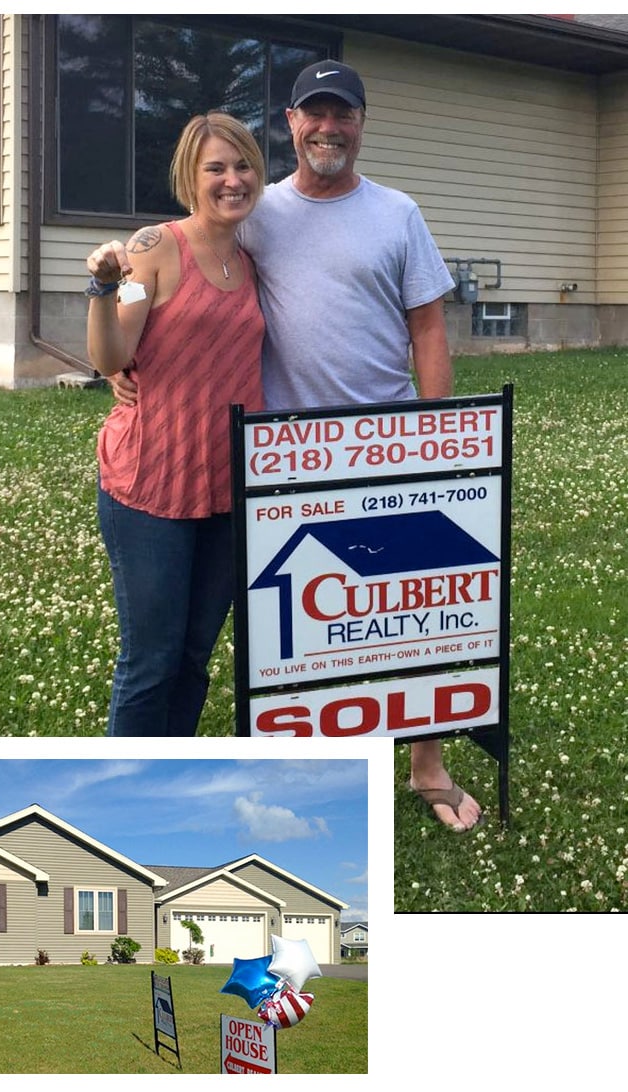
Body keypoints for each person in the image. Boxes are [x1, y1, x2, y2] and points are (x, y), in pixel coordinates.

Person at [237, 61, 483, 831]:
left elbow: (429, 327)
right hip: (288, 456)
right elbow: (188, 266)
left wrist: (435, 437)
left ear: (362, 123)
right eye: (315, 114)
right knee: (298, 621)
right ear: (290, 122)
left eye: (342, 114)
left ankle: (425, 765)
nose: (328, 128)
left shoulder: (397, 213)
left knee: (413, 615)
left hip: (389, 444)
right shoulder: (257, 212)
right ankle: (306, 768)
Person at [85, 112, 265, 736]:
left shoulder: (253, 260)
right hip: (151, 484)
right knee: (150, 663)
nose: (232, 179)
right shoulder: (154, 248)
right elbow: (111, 357)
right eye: (216, 167)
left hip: (224, 490)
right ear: (191, 176)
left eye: (243, 165)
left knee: (193, 660)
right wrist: (102, 291)